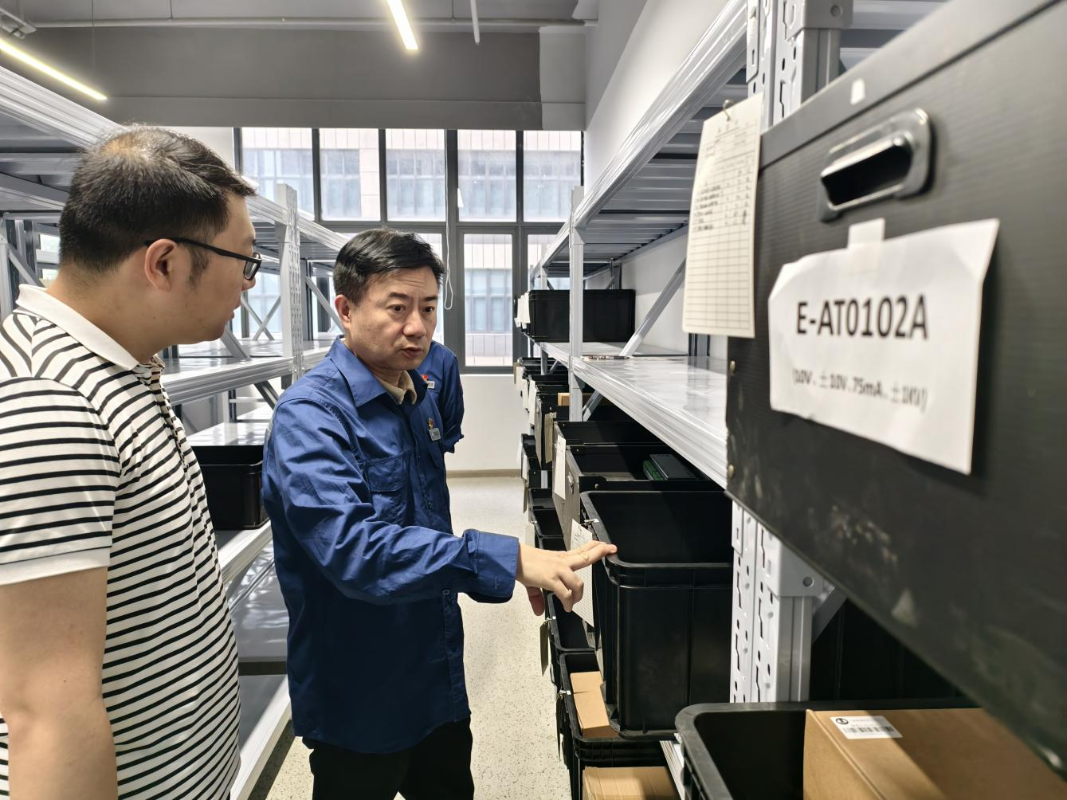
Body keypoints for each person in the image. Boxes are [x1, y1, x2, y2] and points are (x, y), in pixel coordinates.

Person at [261, 229, 614, 800]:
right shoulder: (311, 416)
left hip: (436, 672)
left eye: (428, 308)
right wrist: (505, 560)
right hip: (359, 693)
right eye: (397, 308)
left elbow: (423, 523)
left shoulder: (417, 395)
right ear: (345, 309)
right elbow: (355, 552)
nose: (418, 327)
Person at [0, 127, 259, 799]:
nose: (247, 285)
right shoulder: (50, 405)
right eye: (243, 260)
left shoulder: (118, 372)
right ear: (164, 263)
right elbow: (47, 714)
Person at [418, 340, 463, 453]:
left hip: (429, 449)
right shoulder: (382, 356)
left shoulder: (444, 358)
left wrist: (440, 447)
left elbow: (452, 411)